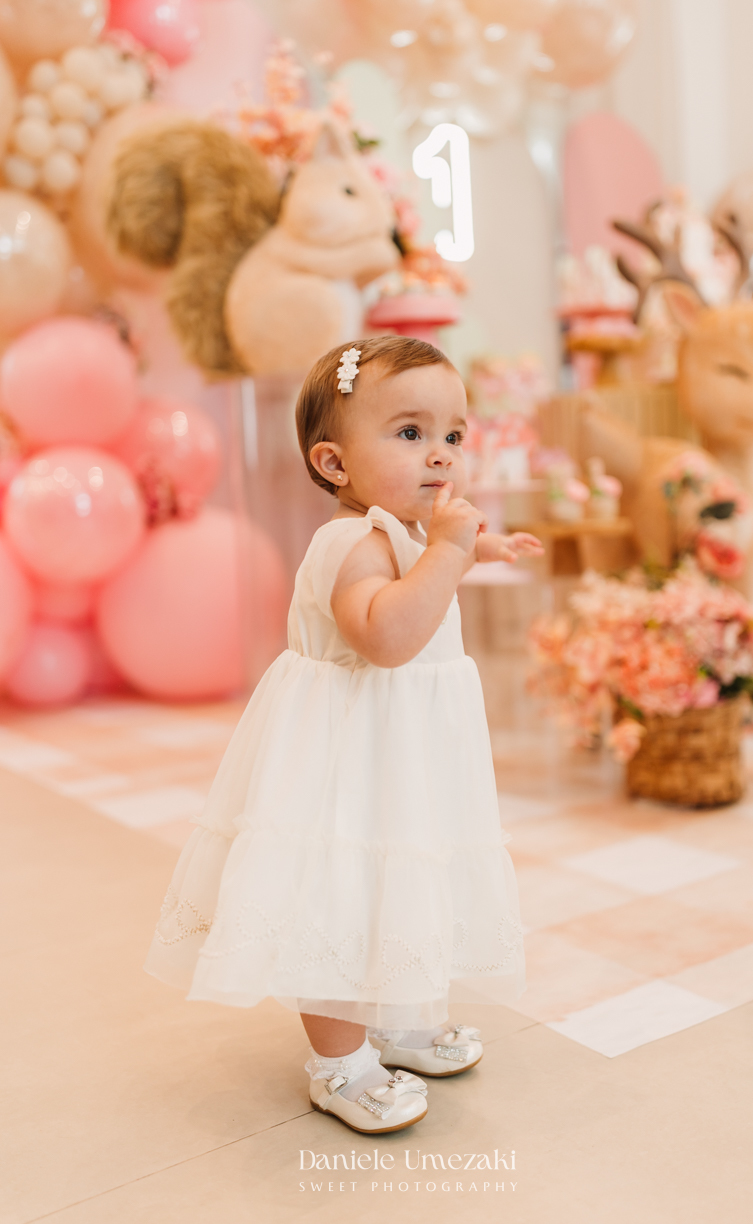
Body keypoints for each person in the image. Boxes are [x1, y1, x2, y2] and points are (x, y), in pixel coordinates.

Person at [145, 336, 540, 1134]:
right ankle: (340, 1063)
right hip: (346, 761)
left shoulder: (402, 531)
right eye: (409, 434)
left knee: (398, 884)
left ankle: (393, 1018)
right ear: (333, 464)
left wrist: (472, 546)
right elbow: (385, 636)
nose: (441, 456)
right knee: (338, 898)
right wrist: (454, 552)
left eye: (453, 436)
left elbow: (425, 565)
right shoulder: (348, 544)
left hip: (403, 758)